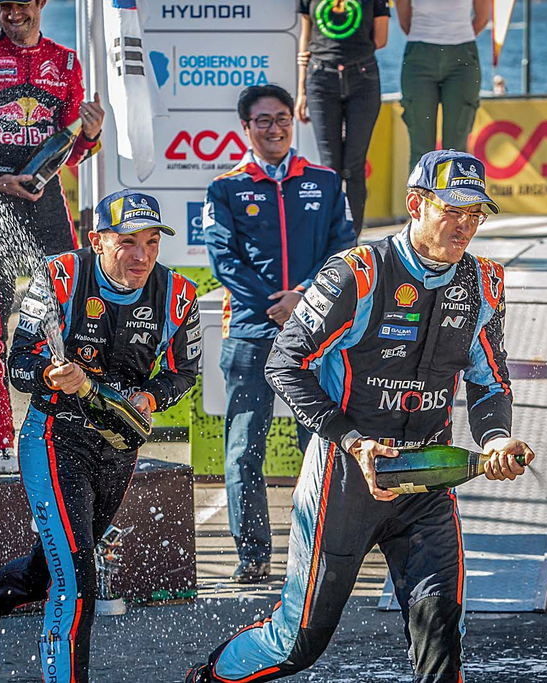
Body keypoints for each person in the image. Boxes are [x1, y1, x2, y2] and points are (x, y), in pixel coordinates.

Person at [186, 149, 537, 683]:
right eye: (452, 210)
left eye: (475, 214)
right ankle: (206, 678)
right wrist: (351, 440)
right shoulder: (358, 272)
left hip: (426, 480)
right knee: (298, 643)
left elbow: (490, 379)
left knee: (441, 636)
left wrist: (495, 438)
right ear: (415, 204)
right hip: (344, 479)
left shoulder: (483, 281)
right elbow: (284, 364)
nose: (465, 226)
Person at [0, 190, 200, 682]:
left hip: (119, 445)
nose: (141, 255)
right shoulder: (61, 276)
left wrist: (148, 399)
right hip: (55, 439)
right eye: (127, 242)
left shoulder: (178, 293)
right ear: (97, 240)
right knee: (77, 580)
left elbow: (184, 372)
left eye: (151, 242)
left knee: (47, 570)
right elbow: (20, 363)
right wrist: (51, 375)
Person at [0, 0, 105, 474]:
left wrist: (91, 134)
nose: (12, 14)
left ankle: (69, 428)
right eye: (5, 5)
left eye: (22, 4)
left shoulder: (65, 61)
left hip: (46, 203)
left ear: (40, 4)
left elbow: (71, 150)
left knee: (71, 313)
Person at [203, 84, 355, 584]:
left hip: (315, 333)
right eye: (264, 120)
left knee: (323, 443)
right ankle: (253, 555)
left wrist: (304, 298)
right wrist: (277, 306)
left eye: (282, 118)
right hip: (251, 332)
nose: (275, 128)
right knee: (245, 447)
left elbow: (343, 251)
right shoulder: (225, 188)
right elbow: (224, 261)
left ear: (294, 122)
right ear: (246, 128)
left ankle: (322, 547)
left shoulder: (325, 181)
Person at [296, 0, 390, 230]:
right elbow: (306, 37)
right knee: (330, 167)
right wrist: (301, 92)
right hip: (320, 78)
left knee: (354, 166)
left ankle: (352, 237)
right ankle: (331, 237)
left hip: (363, 78)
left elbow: (381, 39)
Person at [397, 0, 491, 171]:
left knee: (457, 149)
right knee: (421, 150)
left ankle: (453, 189)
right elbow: (405, 22)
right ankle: (421, 189)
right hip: (419, 56)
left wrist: (454, 37)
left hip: (462, 58)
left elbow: (482, 18)